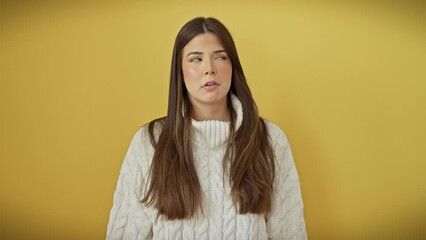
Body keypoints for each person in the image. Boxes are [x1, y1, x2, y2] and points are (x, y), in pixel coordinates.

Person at [106, 17, 307, 240]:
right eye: (196, 59)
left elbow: (290, 233)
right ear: (180, 73)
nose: (209, 69)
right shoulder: (150, 141)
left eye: (220, 57)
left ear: (233, 67)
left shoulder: (270, 140)